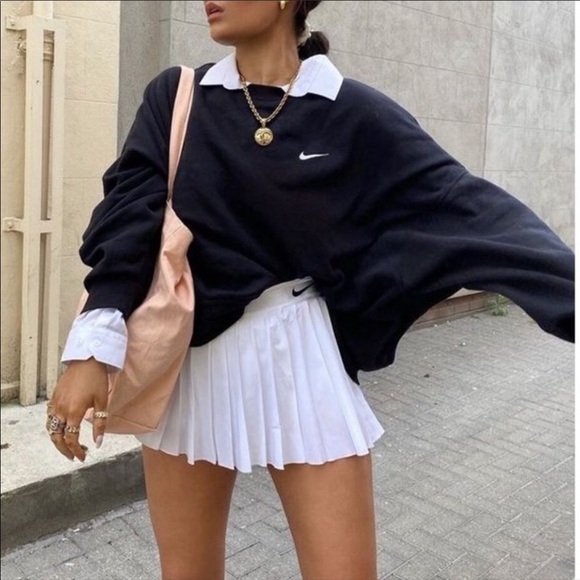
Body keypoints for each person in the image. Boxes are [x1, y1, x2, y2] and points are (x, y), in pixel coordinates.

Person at [46, 1, 575, 579]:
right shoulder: (178, 97)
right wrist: (92, 348)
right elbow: (130, 214)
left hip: (300, 355)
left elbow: (462, 204)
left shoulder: (352, 112)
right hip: (188, 361)